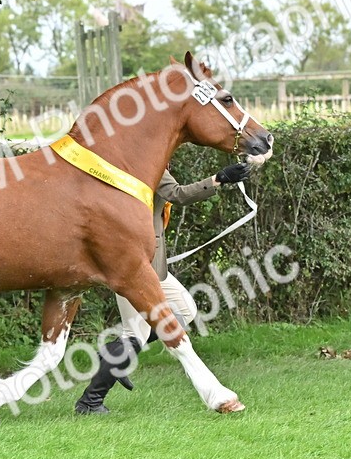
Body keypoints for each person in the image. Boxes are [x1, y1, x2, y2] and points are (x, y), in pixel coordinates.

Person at [74, 162, 252, 414]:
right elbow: (177, 194)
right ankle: (90, 402)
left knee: (185, 310)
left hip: (154, 266)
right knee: (135, 334)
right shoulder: (141, 162)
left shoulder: (155, 159)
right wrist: (219, 179)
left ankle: (114, 353)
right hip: (131, 266)